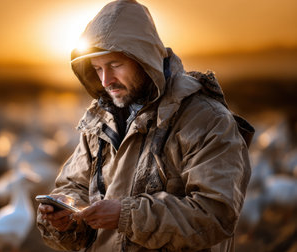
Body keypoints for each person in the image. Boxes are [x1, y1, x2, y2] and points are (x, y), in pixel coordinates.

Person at [37, 0, 254, 251]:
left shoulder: (206, 120)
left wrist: (127, 216)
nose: (106, 80)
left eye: (115, 65)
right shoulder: (100, 121)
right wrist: (65, 216)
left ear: (144, 60)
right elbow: (74, 186)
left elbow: (215, 215)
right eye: (97, 69)